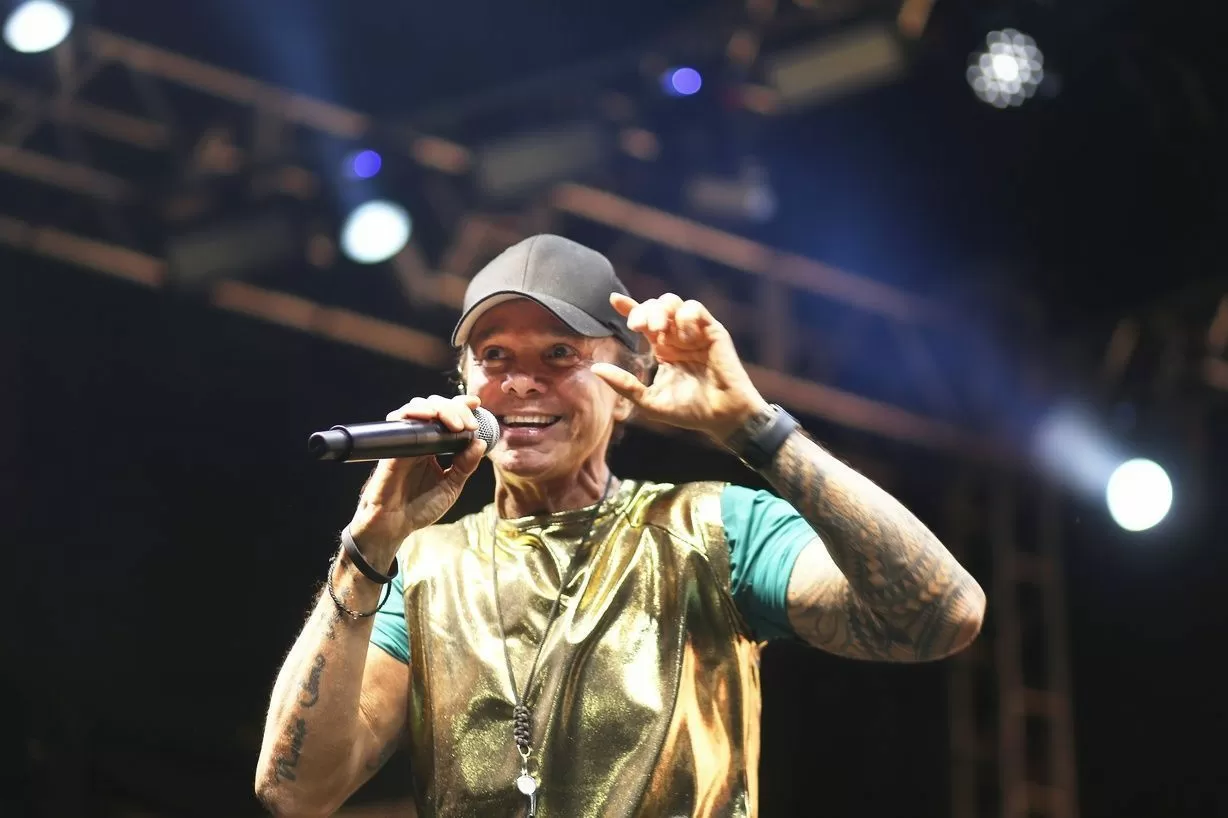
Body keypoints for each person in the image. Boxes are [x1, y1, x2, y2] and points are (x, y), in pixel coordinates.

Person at [254, 234, 986, 818]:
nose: (520, 381)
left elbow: (941, 616)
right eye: (494, 357)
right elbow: (294, 793)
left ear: (629, 385)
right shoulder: (422, 567)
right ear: (465, 386)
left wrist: (755, 429)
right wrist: (368, 546)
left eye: (560, 354)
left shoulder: (715, 526)